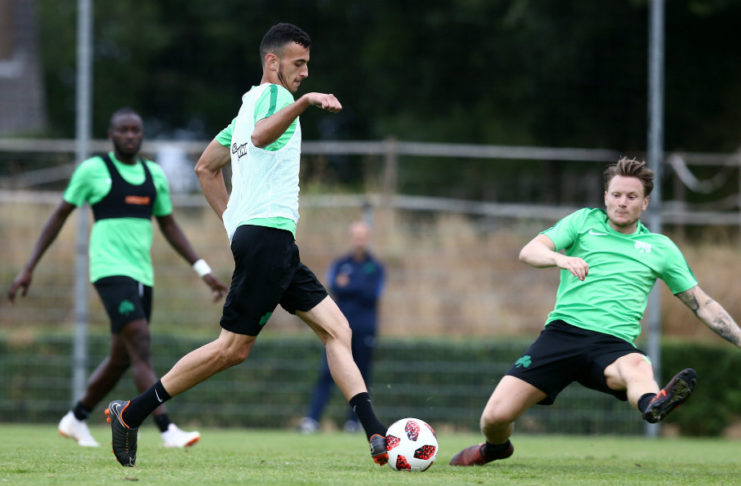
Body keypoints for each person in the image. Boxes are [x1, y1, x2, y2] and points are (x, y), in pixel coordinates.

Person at [105, 23, 389, 468]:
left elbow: (205, 168)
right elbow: (260, 137)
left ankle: (376, 433)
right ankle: (132, 413)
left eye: (308, 66)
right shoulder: (274, 99)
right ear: (273, 62)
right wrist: (304, 103)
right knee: (231, 349)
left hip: (273, 243)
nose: (305, 73)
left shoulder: (244, 111)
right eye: (299, 64)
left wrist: (234, 224)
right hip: (267, 240)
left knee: (338, 330)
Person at [450, 157, 741, 466]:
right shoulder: (583, 222)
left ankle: (652, 404)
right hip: (562, 335)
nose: (622, 202)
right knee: (494, 418)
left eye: (631, 197)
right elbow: (529, 251)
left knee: (638, 366)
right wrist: (561, 259)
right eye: (617, 195)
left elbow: (702, 304)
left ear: (645, 203)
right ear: (606, 197)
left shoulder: (660, 248)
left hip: (612, 346)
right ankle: (495, 448)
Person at [7, 108, 228, 449]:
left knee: (122, 357)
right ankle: (166, 429)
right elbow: (59, 216)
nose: (129, 136)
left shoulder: (154, 175)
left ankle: (76, 417)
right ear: (111, 135)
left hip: (142, 275)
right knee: (140, 342)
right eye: (122, 130)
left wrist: (203, 271)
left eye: (135, 130)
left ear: (141, 135)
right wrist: (29, 267)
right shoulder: (93, 171)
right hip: (109, 271)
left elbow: (169, 226)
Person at [300, 220, 385, 433]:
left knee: (361, 375)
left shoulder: (376, 267)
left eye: (362, 236)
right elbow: (334, 287)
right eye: (356, 236)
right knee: (328, 372)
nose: (359, 241)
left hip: (365, 328)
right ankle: (312, 420)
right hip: (337, 328)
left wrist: (349, 285)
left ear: (367, 238)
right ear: (351, 238)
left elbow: (371, 293)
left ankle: (355, 422)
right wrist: (357, 285)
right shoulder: (340, 263)